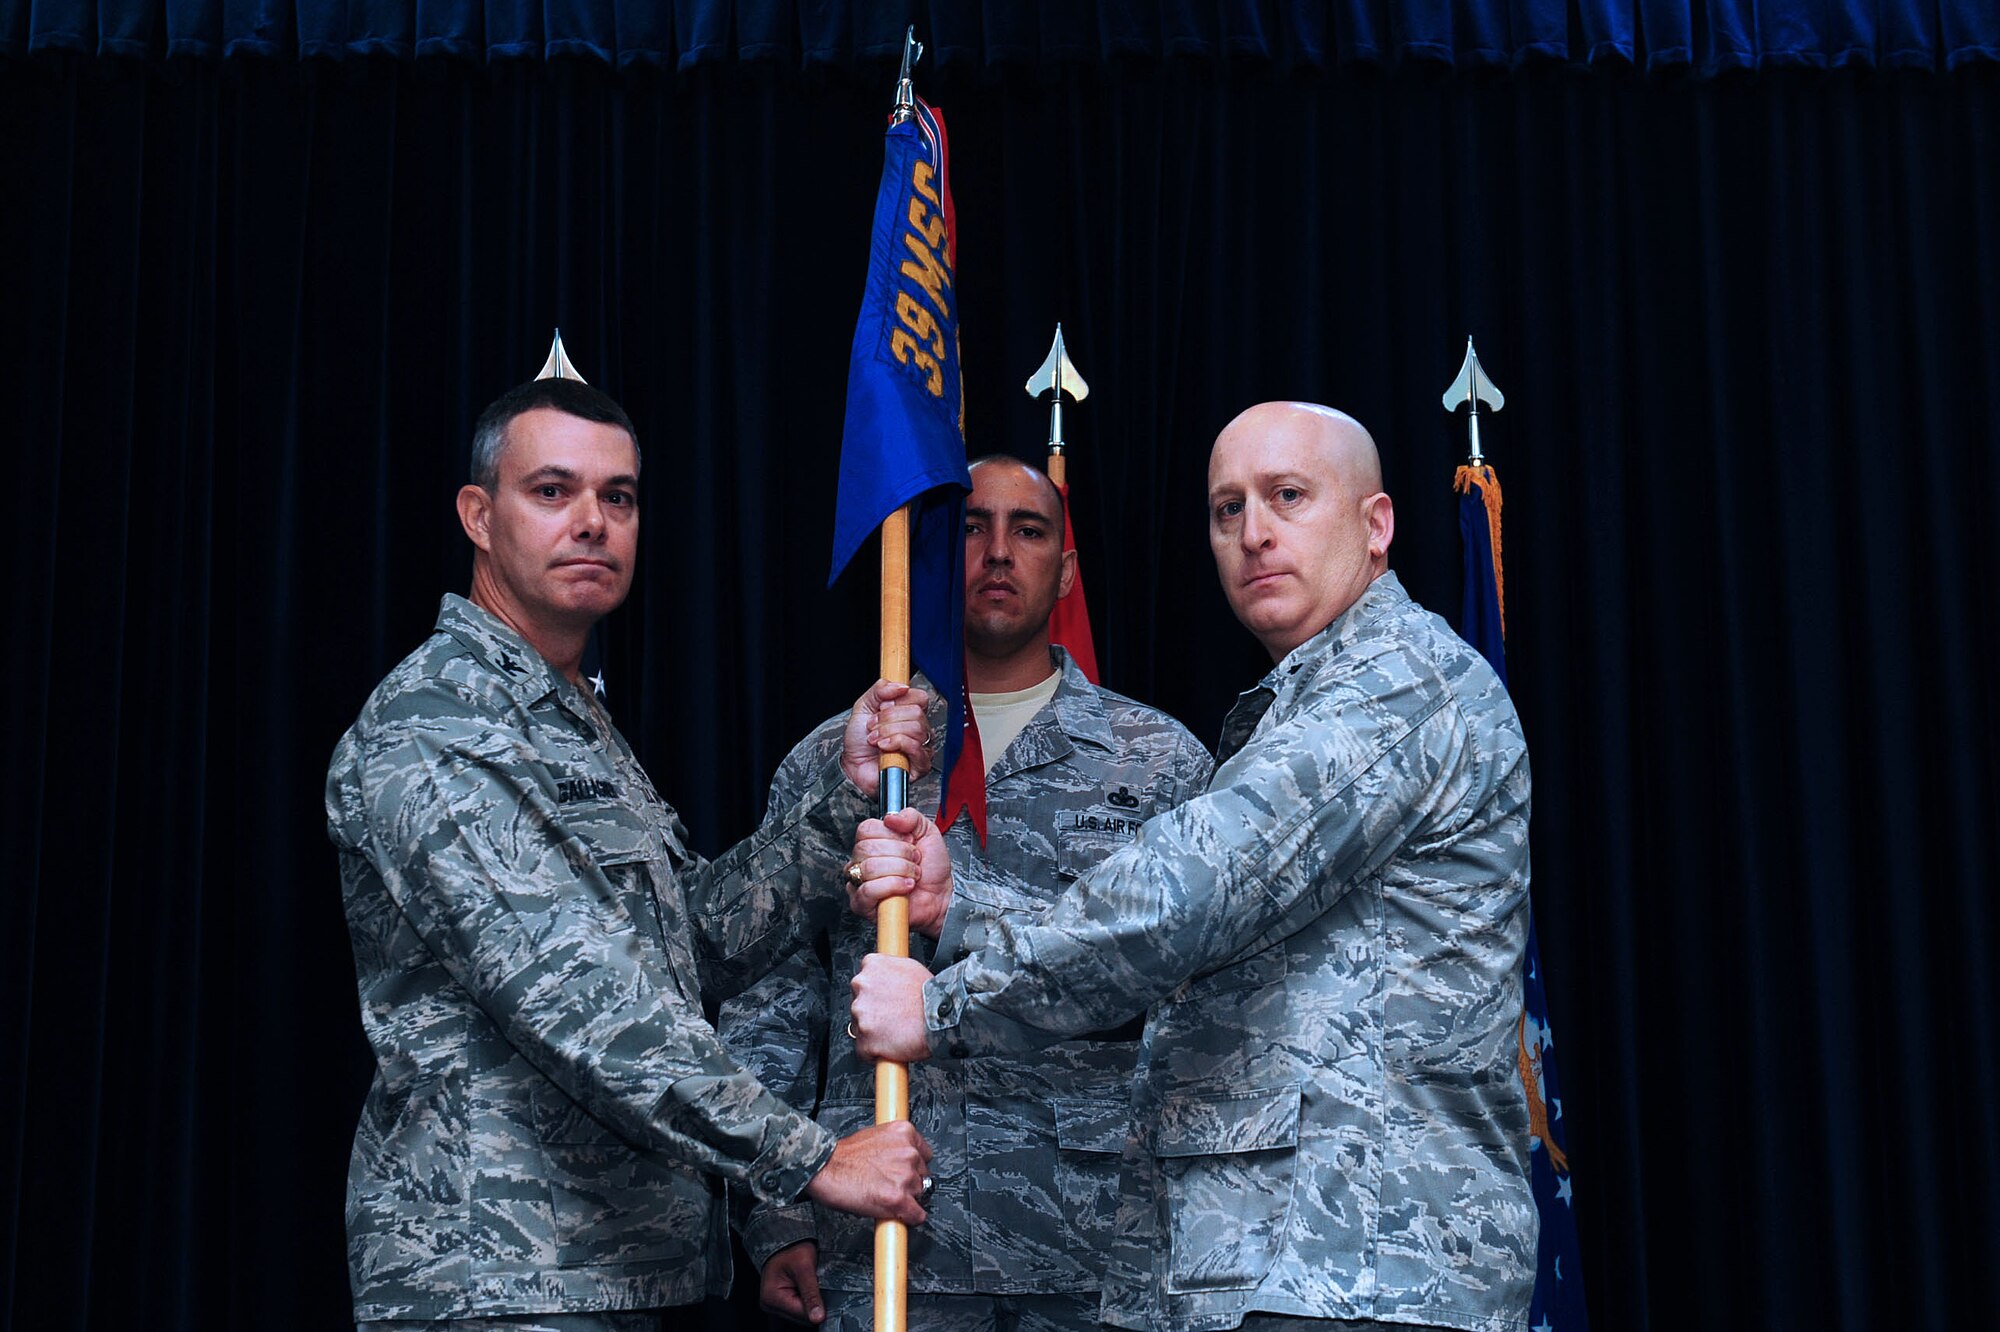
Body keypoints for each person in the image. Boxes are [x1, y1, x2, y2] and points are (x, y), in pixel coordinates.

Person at [848, 403, 1537, 1332]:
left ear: (1375, 526)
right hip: (1278, 1265)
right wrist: (960, 904)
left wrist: (940, 1008)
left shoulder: (1400, 685)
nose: (1253, 533)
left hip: (1363, 1268)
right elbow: (1207, 955)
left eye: (1288, 497)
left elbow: (1185, 895)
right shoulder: (1304, 699)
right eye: (1226, 509)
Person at [325, 376, 935, 1331]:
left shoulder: (571, 717)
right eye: (553, 491)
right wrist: (812, 1158)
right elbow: (580, 995)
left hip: (610, 1270)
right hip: (497, 1275)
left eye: (620, 497)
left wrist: (840, 806)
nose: (594, 522)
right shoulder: (439, 721)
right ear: (478, 516)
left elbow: (691, 948)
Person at [717, 455, 1212, 1330]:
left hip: (1096, 1243)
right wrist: (779, 1210)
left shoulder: (1159, 761)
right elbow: (770, 996)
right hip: (884, 1239)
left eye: (1028, 531)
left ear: (1063, 569)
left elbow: (1188, 992)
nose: (997, 552)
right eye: (973, 528)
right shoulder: (849, 757)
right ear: (940, 559)